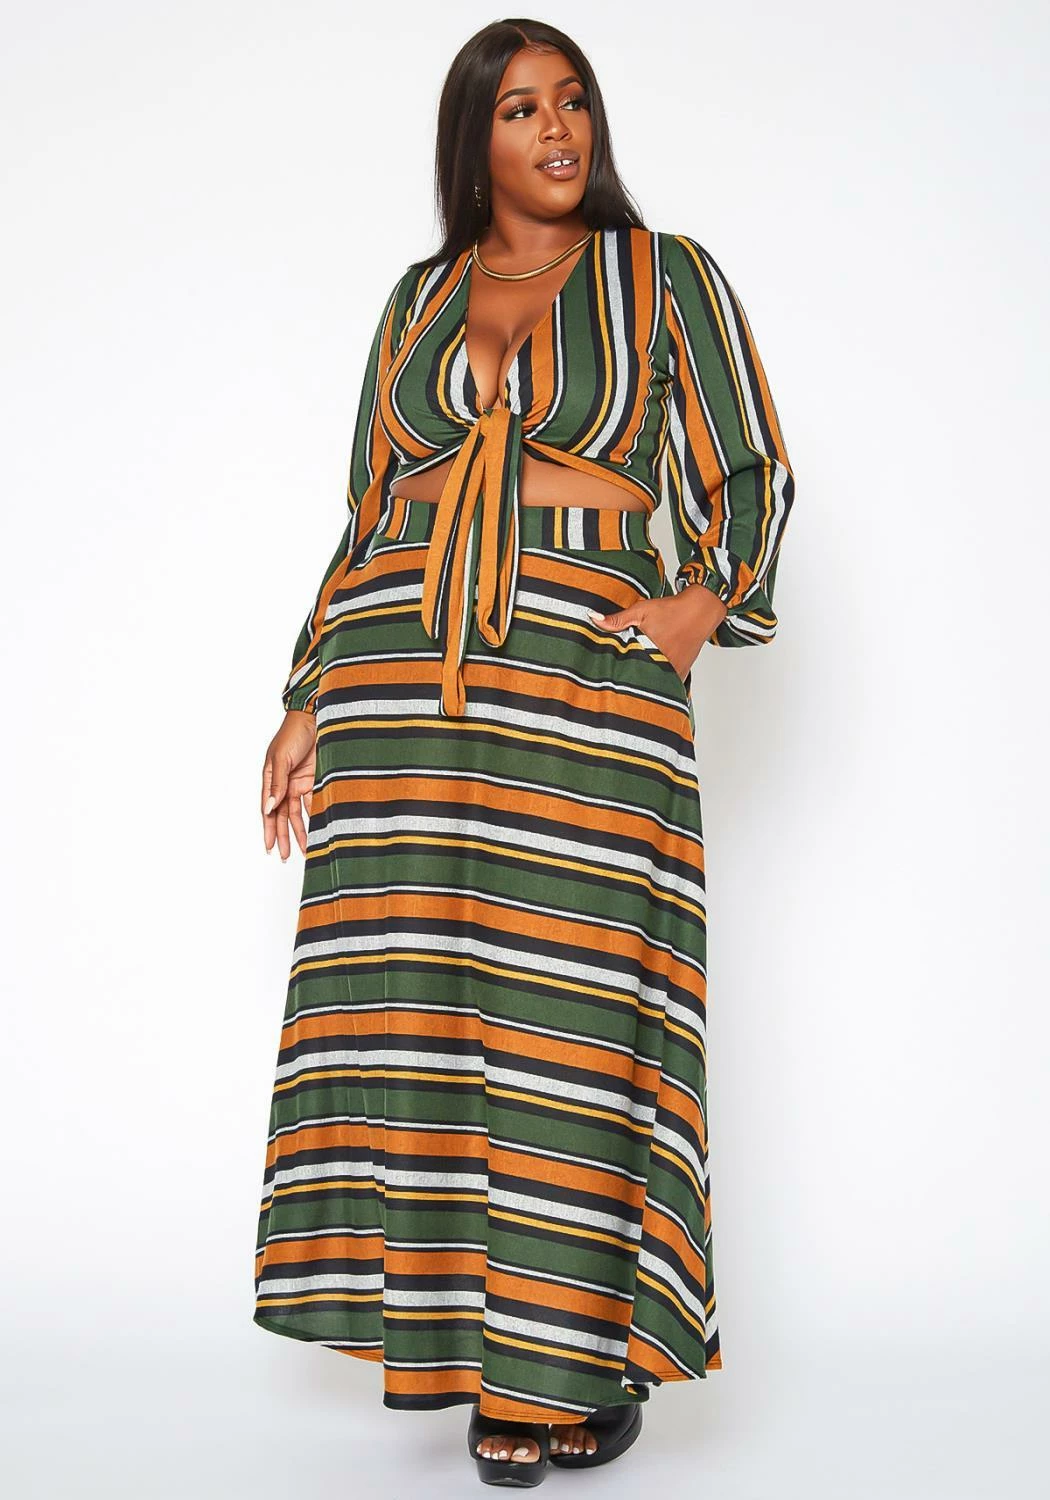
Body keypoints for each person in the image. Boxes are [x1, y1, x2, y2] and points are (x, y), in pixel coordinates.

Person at [255, 17, 795, 1489]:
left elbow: (748, 467)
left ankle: (568, 1364)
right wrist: (304, 695)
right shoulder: (417, 299)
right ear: (472, 140)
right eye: (518, 109)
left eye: (572, 101)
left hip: (581, 667)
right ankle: (473, 1358)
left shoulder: (663, 274)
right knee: (427, 1010)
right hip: (401, 683)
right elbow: (369, 509)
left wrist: (700, 605)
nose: (556, 129)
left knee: (574, 1013)